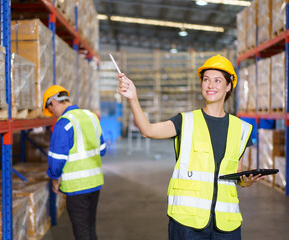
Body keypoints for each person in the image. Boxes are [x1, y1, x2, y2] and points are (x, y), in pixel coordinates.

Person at [117, 54, 265, 239]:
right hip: (187, 223)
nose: (210, 85)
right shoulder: (185, 121)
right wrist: (133, 97)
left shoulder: (242, 129)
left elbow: (236, 172)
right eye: (206, 80)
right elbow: (148, 130)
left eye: (218, 80)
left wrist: (246, 181)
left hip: (227, 224)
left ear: (229, 86)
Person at [43, 85, 106, 240]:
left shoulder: (64, 124)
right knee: (90, 228)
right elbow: (102, 149)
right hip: (95, 182)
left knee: (81, 233)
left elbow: (56, 159)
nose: (53, 115)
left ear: (54, 102)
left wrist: (54, 178)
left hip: (77, 187)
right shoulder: (91, 116)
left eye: (51, 111)